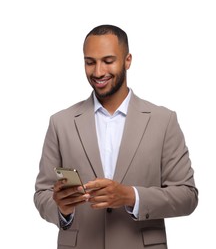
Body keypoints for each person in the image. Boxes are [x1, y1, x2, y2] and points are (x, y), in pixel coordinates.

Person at [34, 24, 198, 249]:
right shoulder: (60, 122)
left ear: (128, 60)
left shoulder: (163, 120)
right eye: (90, 62)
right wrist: (62, 210)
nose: (98, 72)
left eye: (108, 61)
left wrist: (131, 196)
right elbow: (42, 193)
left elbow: (187, 196)